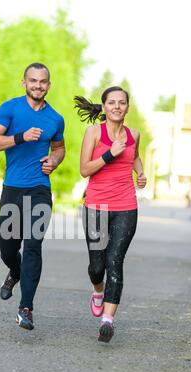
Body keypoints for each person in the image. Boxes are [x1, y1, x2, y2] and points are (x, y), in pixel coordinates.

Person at [0, 63, 65, 331]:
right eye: (33, 81)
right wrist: (20, 137)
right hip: (13, 189)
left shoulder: (56, 118)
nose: (38, 85)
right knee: (8, 247)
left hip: (39, 190)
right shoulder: (10, 108)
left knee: (32, 246)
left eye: (43, 82)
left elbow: (60, 148)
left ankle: (26, 308)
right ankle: (14, 272)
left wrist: (54, 160)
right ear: (24, 83)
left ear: (49, 85)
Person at [74, 86, 147, 343]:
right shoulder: (93, 133)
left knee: (115, 260)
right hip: (96, 205)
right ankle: (97, 291)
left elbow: (134, 157)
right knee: (97, 266)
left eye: (122, 102)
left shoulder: (134, 135)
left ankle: (108, 320)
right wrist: (109, 154)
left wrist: (140, 172)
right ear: (104, 106)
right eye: (112, 102)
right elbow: (84, 169)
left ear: (127, 107)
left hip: (126, 206)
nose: (117, 106)